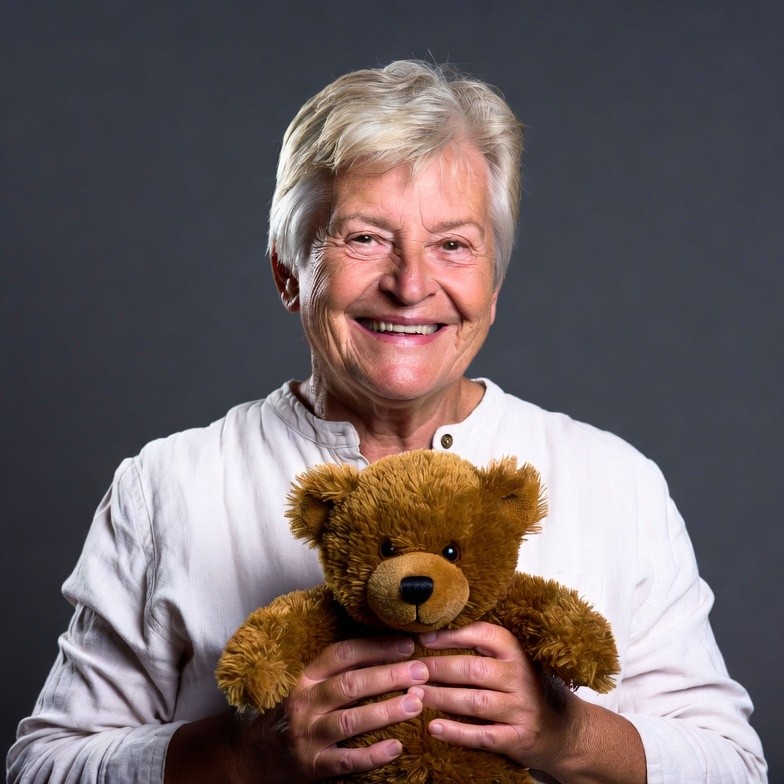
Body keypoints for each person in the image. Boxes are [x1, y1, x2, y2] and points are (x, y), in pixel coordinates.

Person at [7, 60, 767, 784]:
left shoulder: (615, 482)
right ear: (288, 271)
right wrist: (244, 759)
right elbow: (40, 768)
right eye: (365, 237)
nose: (410, 285)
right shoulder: (166, 487)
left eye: (453, 245)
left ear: (493, 283)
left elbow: (736, 766)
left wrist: (567, 733)